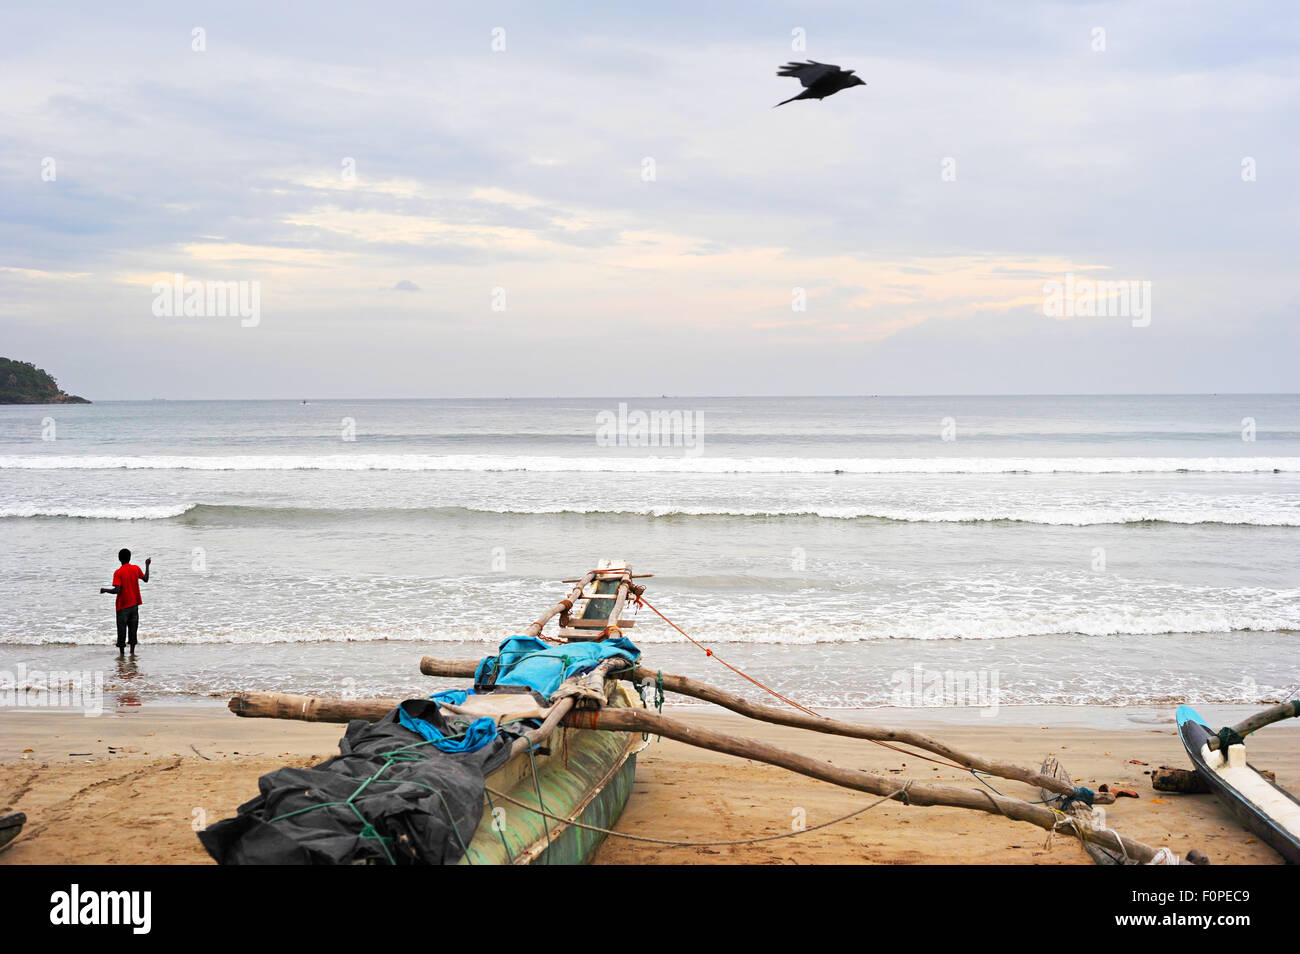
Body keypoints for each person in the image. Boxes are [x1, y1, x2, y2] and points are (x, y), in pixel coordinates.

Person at [101, 548, 150, 656]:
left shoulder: (118, 572)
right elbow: (146, 579)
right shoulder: (136, 568)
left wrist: (104, 590)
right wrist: (147, 565)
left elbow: (117, 590)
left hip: (122, 607)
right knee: (133, 630)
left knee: (122, 632)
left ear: (119, 559)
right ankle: (132, 653)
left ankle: (122, 654)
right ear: (130, 557)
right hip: (134, 605)